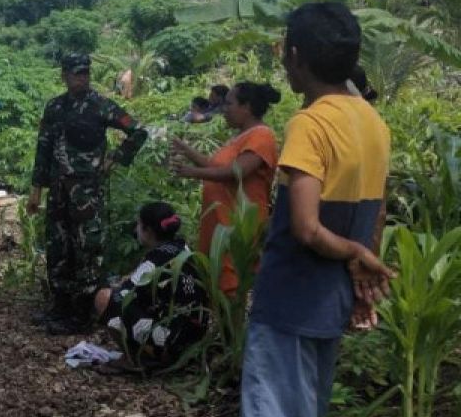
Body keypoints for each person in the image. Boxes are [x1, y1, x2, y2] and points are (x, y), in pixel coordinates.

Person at [241, 2, 392, 417]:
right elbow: (378, 212)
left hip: (293, 297)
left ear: (297, 56)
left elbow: (305, 227)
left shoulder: (311, 124)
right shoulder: (373, 122)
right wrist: (361, 271)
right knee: (313, 412)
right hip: (331, 296)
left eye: (286, 51)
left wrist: (351, 252)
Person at [27, 52, 148, 335]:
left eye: (84, 73)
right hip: (58, 191)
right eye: (75, 73)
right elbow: (43, 149)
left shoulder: (100, 106)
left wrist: (116, 157)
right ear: (64, 75)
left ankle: (82, 314)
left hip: (87, 193)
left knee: (87, 250)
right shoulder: (54, 107)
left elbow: (138, 130)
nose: (81, 78)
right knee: (58, 247)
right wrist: (36, 190)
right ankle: (59, 307)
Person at [170, 82, 281, 295]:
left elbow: (236, 172)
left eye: (229, 103)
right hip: (220, 227)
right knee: (218, 290)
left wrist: (192, 172)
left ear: (246, 107)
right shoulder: (240, 137)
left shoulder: (261, 136)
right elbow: (216, 166)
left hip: (236, 231)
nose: (223, 109)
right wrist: (186, 150)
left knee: (232, 291)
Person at [94, 202, 205, 370]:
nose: (136, 229)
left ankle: (135, 359)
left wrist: (119, 286)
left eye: (139, 224)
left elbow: (123, 295)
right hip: (192, 340)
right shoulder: (182, 249)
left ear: (148, 230)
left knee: (105, 298)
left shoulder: (155, 259)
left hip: (170, 342)